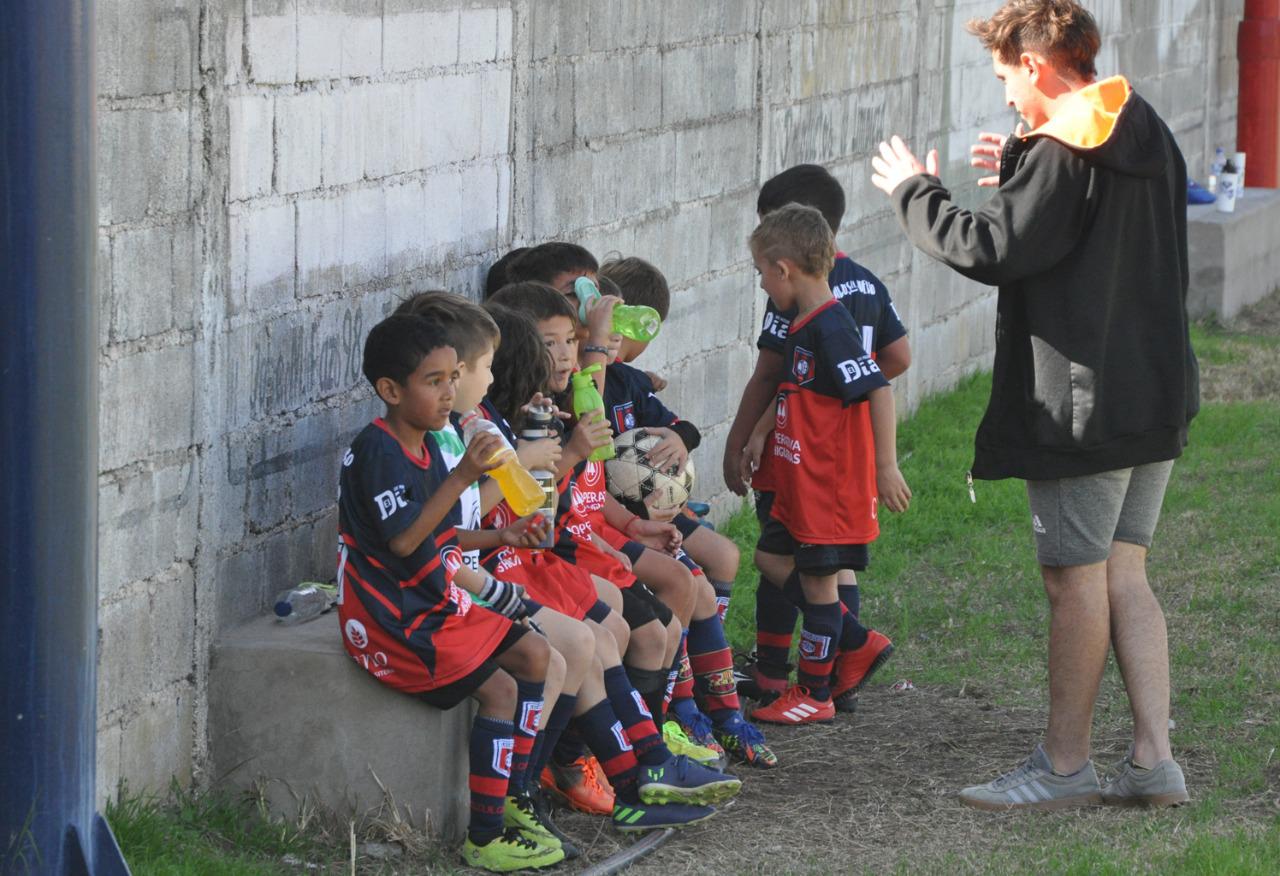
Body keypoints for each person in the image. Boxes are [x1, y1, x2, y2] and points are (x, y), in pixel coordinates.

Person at [870, 0, 1197, 810]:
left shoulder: (1063, 149)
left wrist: (915, 190)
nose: (1007, 94)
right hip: (1153, 391)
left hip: (1086, 408)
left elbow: (994, 248)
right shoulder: (1137, 121)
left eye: (1006, 76)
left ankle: (1062, 767)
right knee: (1125, 570)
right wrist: (1022, 163)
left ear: (1037, 66)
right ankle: (1154, 762)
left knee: (1073, 578)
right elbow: (1067, 225)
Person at [336, 313, 563, 871]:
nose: (449, 391)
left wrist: (501, 534)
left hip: (434, 598)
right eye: (433, 380)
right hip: (395, 619)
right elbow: (405, 541)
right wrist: (462, 477)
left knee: (536, 653)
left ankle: (512, 795)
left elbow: (438, 528)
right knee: (503, 691)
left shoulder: (428, 443)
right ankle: (483, 839)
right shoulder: (379, 451)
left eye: (453, 376)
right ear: (390, 390)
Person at [721, 164, 912, 709]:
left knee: (820, 575)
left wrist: (885, 464)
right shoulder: (850, 292)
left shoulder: (823, 321)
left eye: (762, 272)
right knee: (778, 561)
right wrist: (769, 428)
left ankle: (814, 689)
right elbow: (890, 360)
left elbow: (875, 386)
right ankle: (852, 648)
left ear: (785, 264)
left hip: (822, 475)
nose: (760, 282)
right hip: (806, 461)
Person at [598, 255, 778, 768]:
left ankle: (716, 706)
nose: (611, 341)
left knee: (719, 558)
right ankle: (684, 705)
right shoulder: (578, 393)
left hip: (651, 514)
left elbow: (684, 426)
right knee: (693, 581)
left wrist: (679, 437)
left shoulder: (631, 384)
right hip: (618, 521)